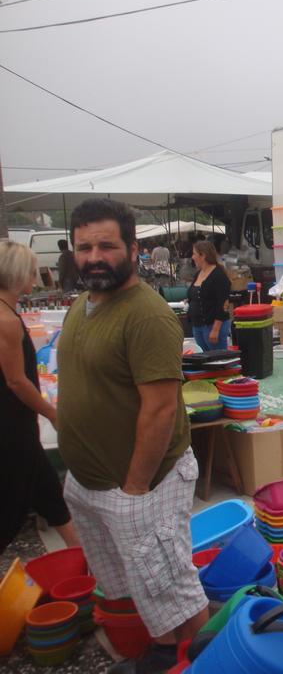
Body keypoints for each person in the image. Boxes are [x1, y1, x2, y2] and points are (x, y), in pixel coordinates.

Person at [56, 199, 207, 674]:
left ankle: (211, 659)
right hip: (91, 480)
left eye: (106, 245)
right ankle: (164, 653)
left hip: (145, 481)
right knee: (142, 582)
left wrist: (136, 486)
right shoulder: (83, 304)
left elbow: (161, 408)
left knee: (172, 584)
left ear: (133, 248)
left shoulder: (146, 315)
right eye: (84, 247)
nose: (94, 256)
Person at [0, 242, 78, 554]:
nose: (35, 279)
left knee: (47, 492)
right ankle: (86, 562)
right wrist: (52, 413)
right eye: (31, 273)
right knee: (12, 505)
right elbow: (17, 381)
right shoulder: (5, 320)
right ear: (18, 274)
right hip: (12, 426)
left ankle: (86, 563)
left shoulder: (7, 313)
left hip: (15, 425)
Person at [187, 240, 231, 351]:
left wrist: (216, 329)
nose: (192, 257)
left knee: (218, 360)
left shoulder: (218, 275)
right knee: (203, 358)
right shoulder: (199, 274)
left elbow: (223, 304)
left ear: (203, 255)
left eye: (194, 254)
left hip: (212, 326)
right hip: (197, 325)